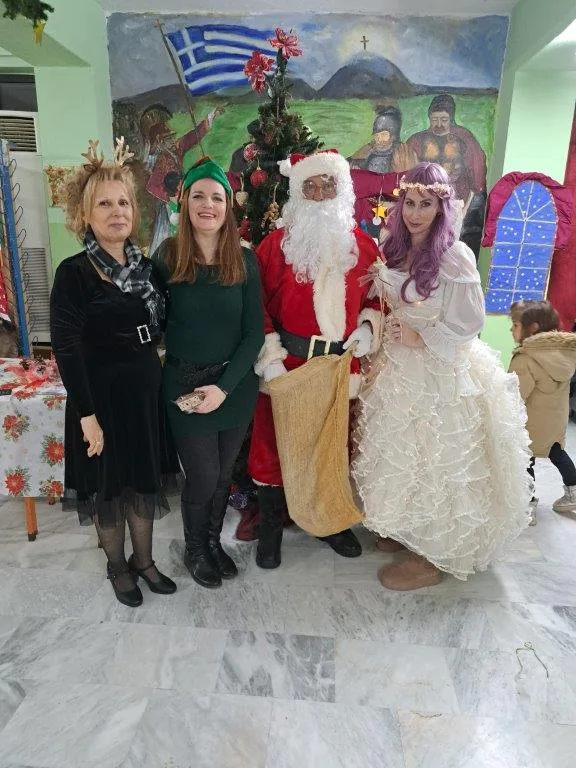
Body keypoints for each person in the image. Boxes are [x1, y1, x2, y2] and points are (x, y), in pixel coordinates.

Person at [351, 162, 531, 590]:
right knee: (400, 452)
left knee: (436, 459)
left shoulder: (455, 255)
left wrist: (423, 336)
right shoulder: (394, 246)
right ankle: (403, 526)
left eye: (426, 204)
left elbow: (469, 324)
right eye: (410, 203)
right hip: (398, 368)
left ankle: (433, 554)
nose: (416, 213)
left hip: (440, 373)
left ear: (441, 207)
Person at [50, 138, 179, 608]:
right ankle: (118, 567)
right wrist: (86, 415)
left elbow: (164, 326)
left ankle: (144, 561)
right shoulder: (73, 273)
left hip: (143, 393)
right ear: (85, 214)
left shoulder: (148, 269)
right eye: (104, 204)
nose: (116, 212)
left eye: (123, 202)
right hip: (98, 398)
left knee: (141, 479)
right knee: (108, 485)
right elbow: (66, 347)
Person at [249, 149, 382, 569]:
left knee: (331, 449)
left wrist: (367, 327)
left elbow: (377, 297)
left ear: (343, 190)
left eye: (329, 184)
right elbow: (254, 307)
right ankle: (271, 530)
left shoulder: (364, 246)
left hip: (340, 370)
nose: (321, 193)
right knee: (272, 448)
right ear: (297, 192)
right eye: (311, 186)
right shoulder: (274, 247)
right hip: (287, 366)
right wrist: (270, 356)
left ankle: (328, 523)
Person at [154, 157, 264, 589]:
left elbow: (254, 334)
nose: (207, 205)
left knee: (222, 476)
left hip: (233, 388)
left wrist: (223, 387)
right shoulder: (167, 257)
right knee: (201, 476)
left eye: (216, 197)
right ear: (184, 202)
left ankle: (213, 543)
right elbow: (151, 319)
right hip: (184, 385)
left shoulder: (245, 261)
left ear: (227, 206)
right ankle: (195, 548)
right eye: (198, 196)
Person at [509, 300, 576, 523]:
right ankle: (574, 490)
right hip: (556, 420)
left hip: (530, 423)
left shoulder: (525, 359)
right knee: (557, 452)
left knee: (525, 459)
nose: (511, 330)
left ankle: (527, 504)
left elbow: (517, 395)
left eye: (515, 325)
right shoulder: (564, 355)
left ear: (533, 328)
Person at [348, 106, 417, 174]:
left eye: (383, 135)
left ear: (393, 135)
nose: (379, 139)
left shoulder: (403, 153)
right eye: (376, 135)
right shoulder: (368, 150)